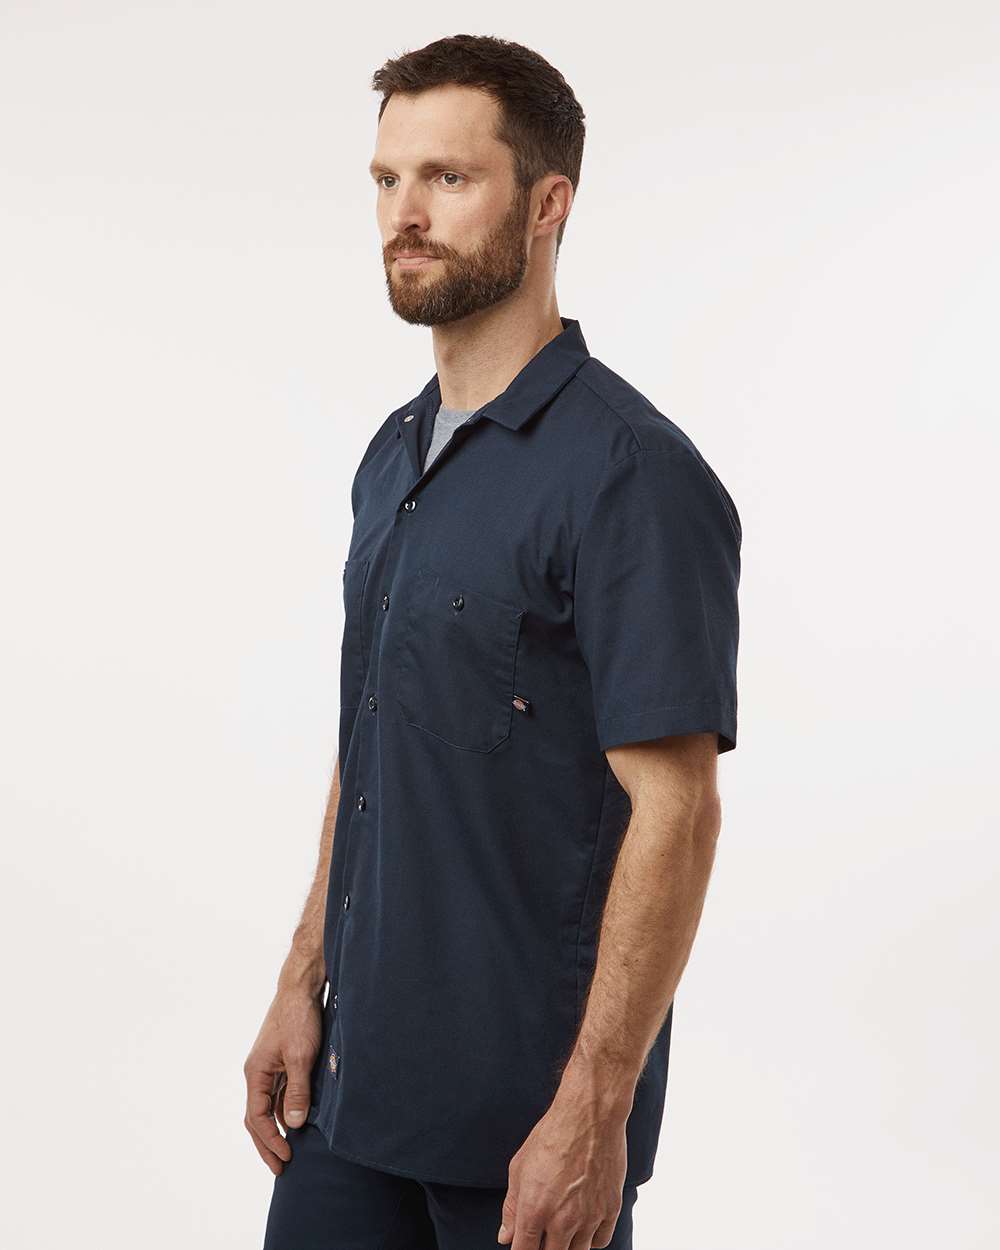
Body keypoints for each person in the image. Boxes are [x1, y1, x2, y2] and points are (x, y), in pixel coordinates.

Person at [245, 32, 742, 1250]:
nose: (404, 215)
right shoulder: (391, 455)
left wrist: (592, 1109)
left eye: (448, 179)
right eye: (385, 180)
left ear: (546, 204)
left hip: (525, 1133)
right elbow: (371, 747)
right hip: (353, 1100)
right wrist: (301, 979)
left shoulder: (630, 475)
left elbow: (676, 811)